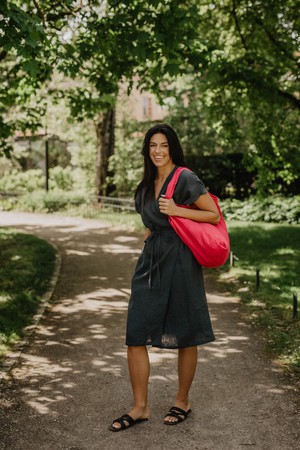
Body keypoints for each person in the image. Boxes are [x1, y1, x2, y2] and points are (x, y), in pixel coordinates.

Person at [109, 123, 220, 432]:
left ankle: (182, 401)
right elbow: (152, 224)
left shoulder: (184, 178)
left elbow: (212, 214)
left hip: (182, 261)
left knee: (185, 332)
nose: (158, 151)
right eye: (153, 145)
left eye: (164, 145)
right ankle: (140, 407)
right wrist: (144, 246)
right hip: (151, 264)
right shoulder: (145, 185)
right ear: (147, 150)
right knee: (135, 333)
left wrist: (177, 210)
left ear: (172, 148)